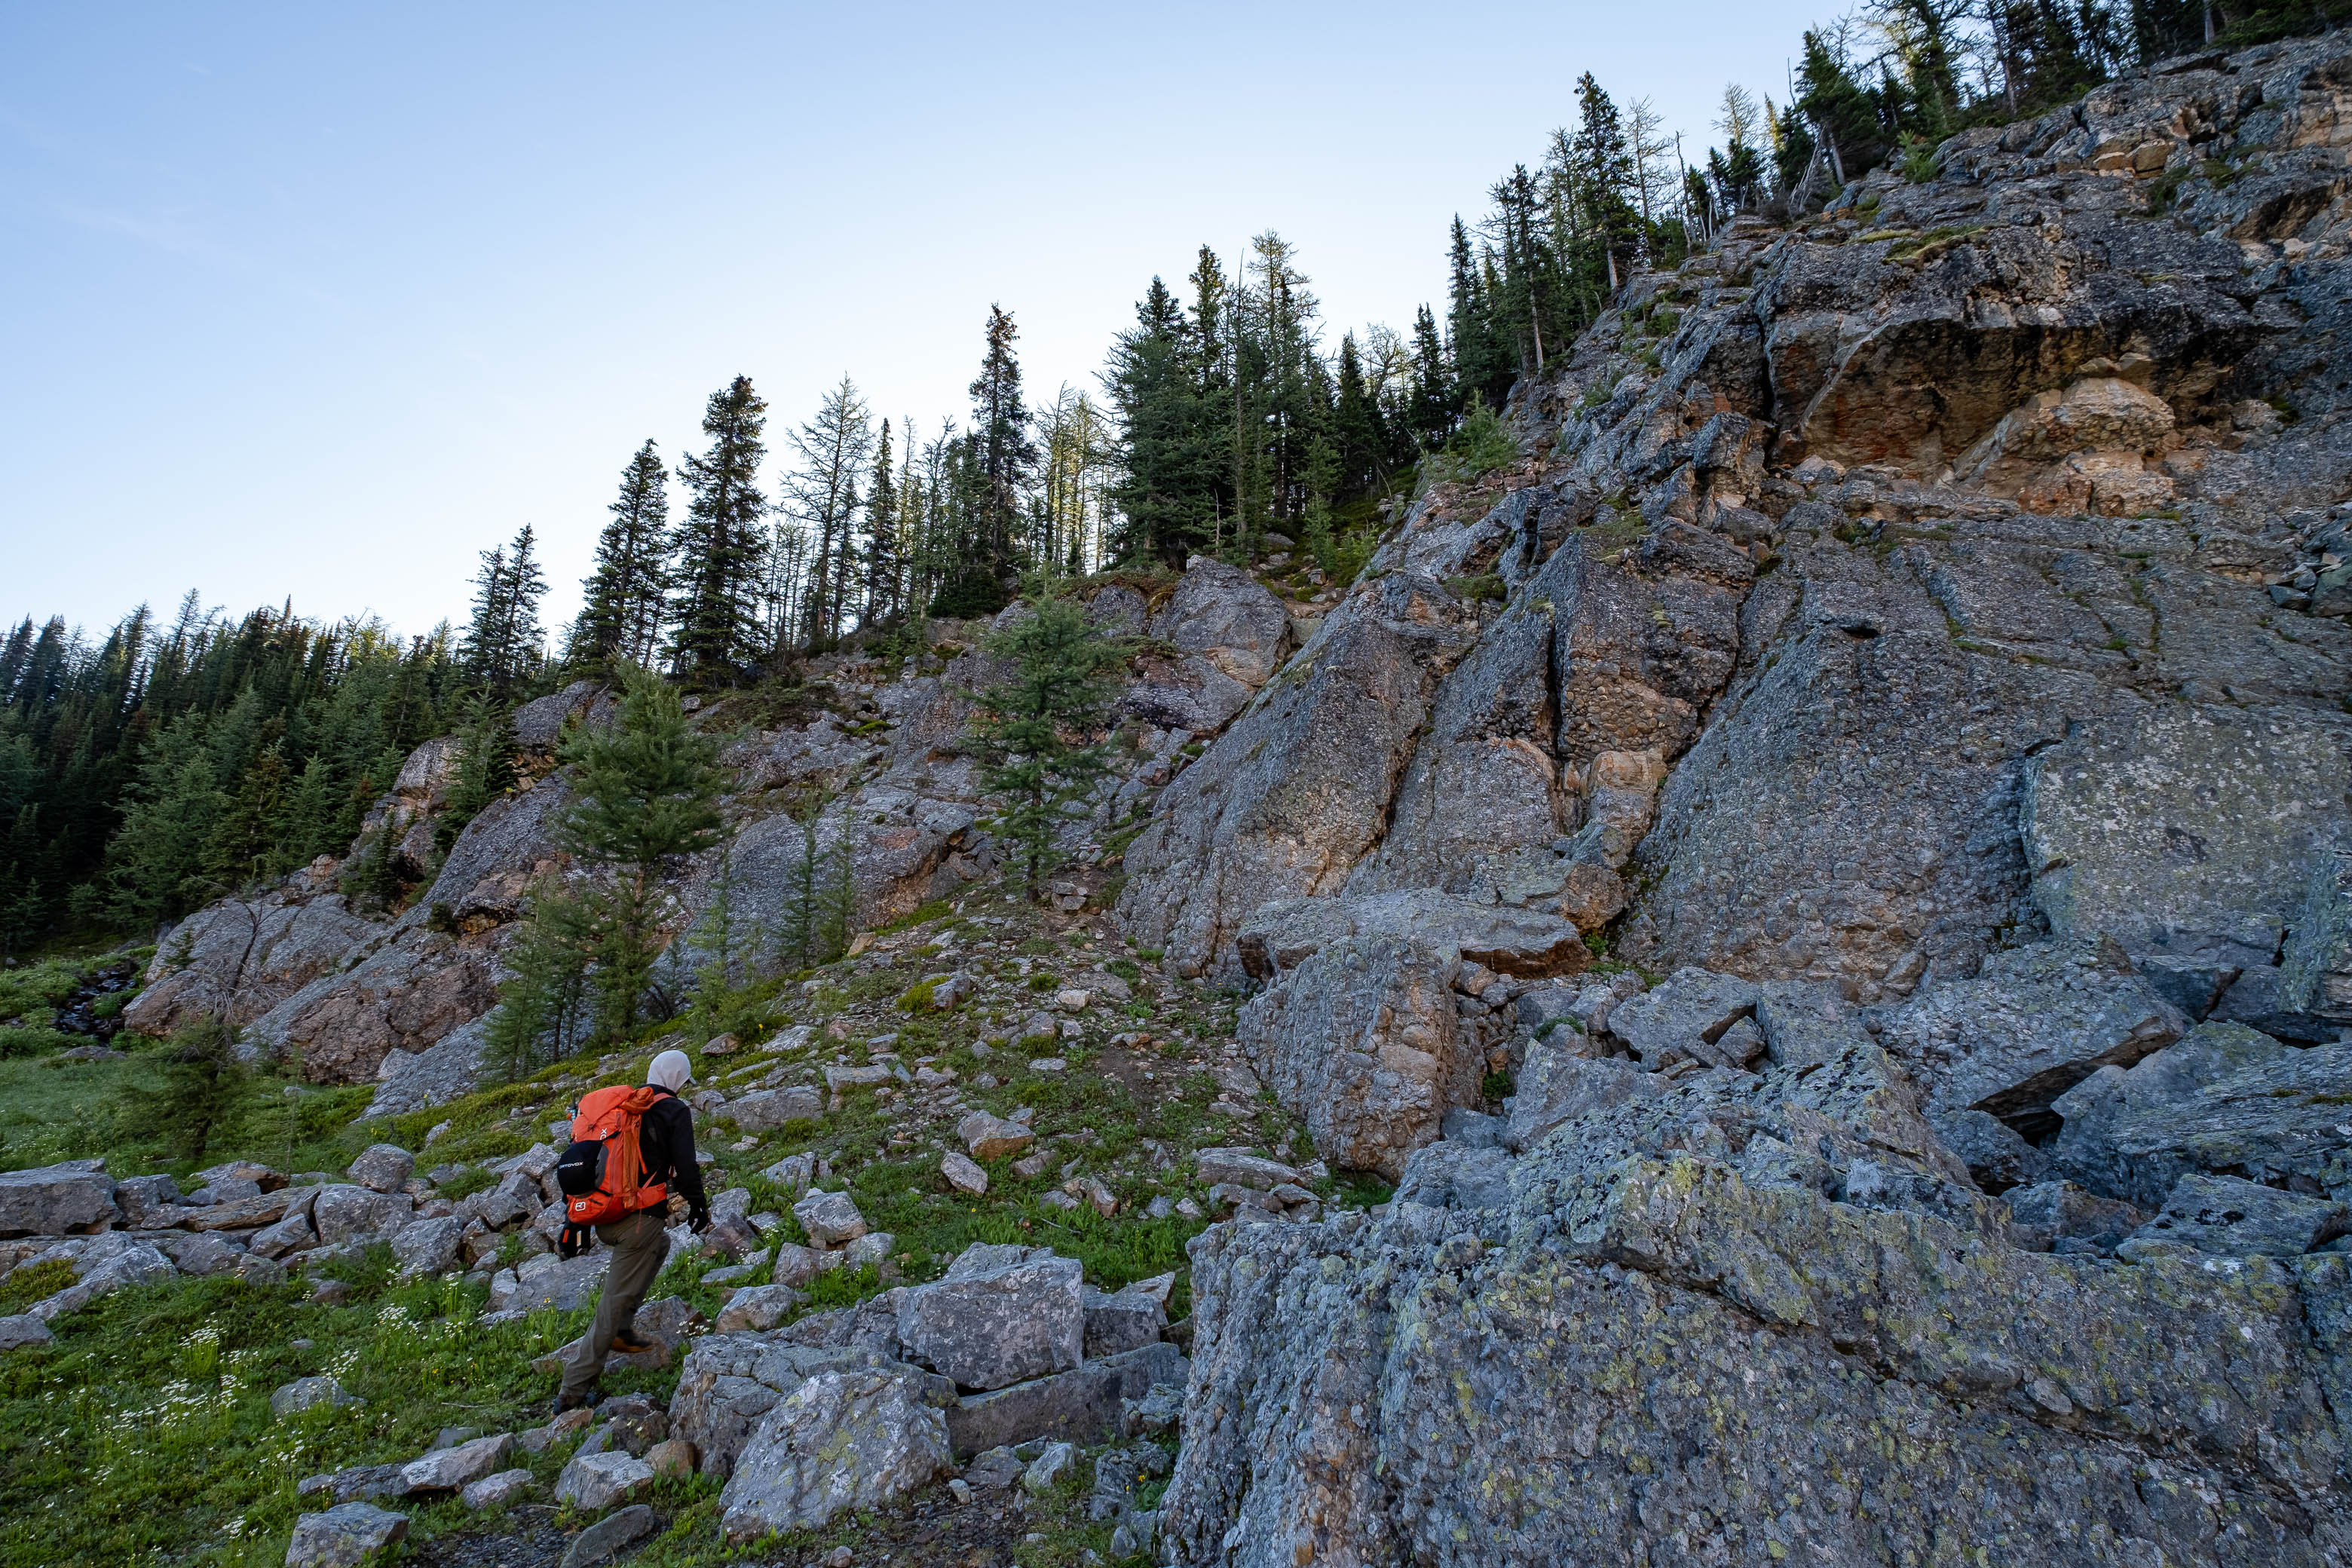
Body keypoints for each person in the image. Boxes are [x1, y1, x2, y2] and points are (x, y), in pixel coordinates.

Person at [557, 1048, 709, 1410]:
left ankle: (623, 1329)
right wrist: (699, 1206)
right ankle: (572, 1391)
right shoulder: (673, 1110)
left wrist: (572, 1221)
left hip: (604, 1218)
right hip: (638, 1222)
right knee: (612, 1303)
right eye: (684, 1082)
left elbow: (584, 1162)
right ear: (677, 1078)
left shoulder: (623, 1108)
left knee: (660, 1247)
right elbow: (686, 1168)